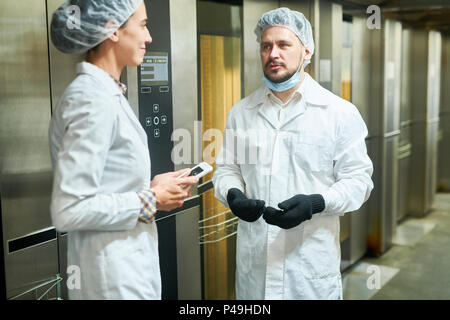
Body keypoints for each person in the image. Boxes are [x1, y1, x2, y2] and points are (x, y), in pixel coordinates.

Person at [212, 7, 374, 300]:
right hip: (255, 272)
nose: (273, 53)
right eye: (266, 46)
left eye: (284, 45)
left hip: (308, 274)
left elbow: (359, 181)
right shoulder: (242, 112)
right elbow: (227, 169)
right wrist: (233, 194)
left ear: (306, 51)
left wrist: (317, 202)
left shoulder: (338, 113)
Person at [49, 0, 198, 300]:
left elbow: (107, 185)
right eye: (142, 25)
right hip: (109, 280)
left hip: (123, 270)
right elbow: (68, 209)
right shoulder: (91, 99)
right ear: (113, 30)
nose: (149, 37)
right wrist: (150, 199)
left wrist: (153, 188)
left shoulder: (107, 94)